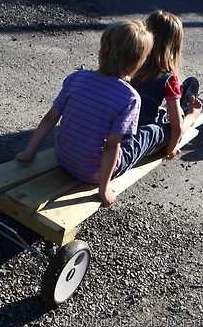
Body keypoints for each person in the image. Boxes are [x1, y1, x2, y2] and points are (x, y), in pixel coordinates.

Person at [15, 20, 171, 208]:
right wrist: (103, 188)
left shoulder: (76, 78)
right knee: (149, 134)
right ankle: (171, 124)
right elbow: (112, 147)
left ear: (102, 49)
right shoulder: (130, 98)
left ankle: (162, 120)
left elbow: (50, 118)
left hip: (63, 157)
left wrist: (28, 153)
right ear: (138, 63)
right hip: (93, 173)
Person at [130, 9, 203, 160]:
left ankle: (176, 106)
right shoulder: (168, 79)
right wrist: (171, 149)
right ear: (174, 46)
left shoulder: (129, 63)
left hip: (117, 132)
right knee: (177, 122)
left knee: (161, 113)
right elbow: (176, 129)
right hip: (143, 142)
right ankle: (191, 114)